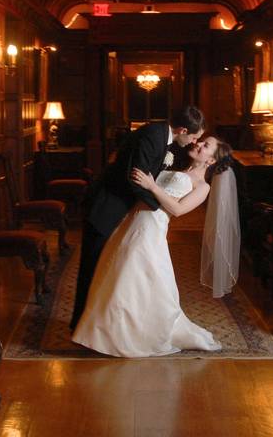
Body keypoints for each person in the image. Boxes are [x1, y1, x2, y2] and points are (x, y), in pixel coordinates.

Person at [71, 136, 234, 357]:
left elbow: (177, 209)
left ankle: (128, 335)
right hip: (130, 221)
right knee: (115, 273)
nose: (198, 144)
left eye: (205, 146)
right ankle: (104, 332)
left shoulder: (202, 186)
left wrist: (151, 186)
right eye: (200, 141)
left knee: (131, 277)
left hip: (151, 228)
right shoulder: (174, 165)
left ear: (211, 160)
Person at [69, 106, 205, 332]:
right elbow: (135, 178)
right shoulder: (154, 135)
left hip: (120, 208)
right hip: (106, 206)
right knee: (92, 265)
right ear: (182, 130)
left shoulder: (162, 136)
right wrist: (161, 208)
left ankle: (97, 324)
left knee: (107, 267)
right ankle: (80, 325)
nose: (193, 142)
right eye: (193, 136)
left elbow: (147, 177)